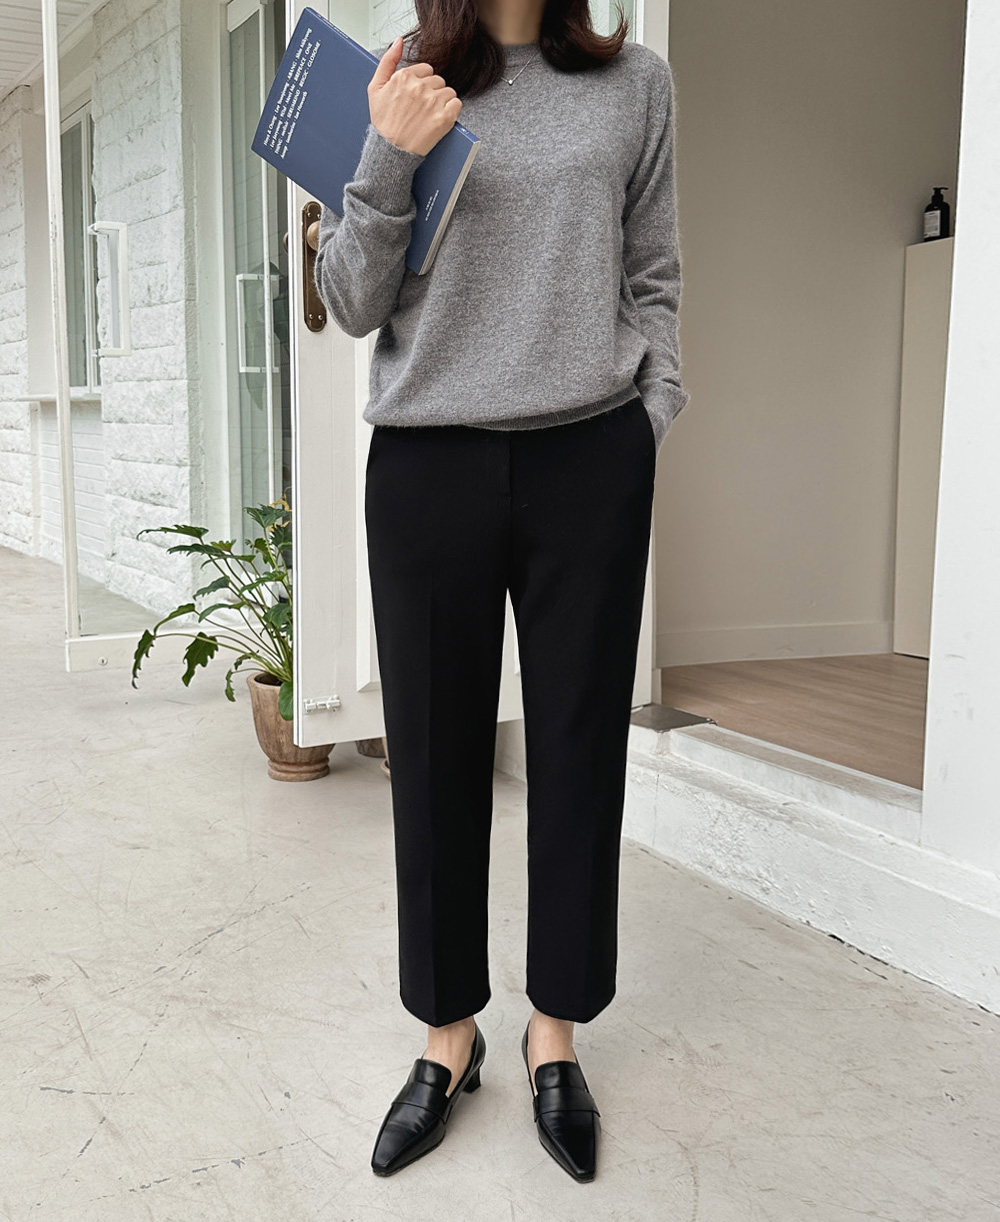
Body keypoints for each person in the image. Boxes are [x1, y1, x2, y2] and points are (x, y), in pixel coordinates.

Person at [311, 0, 689, 1183]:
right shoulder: (394, 74)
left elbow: (654, 271)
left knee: (577, 753)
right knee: (432, 758)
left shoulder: (634, 84)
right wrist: (388, 152)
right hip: (428, 460)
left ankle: (553, 1033)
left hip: (590, 455)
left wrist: (647, 419)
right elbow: (348, 300)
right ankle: (447, 1034)